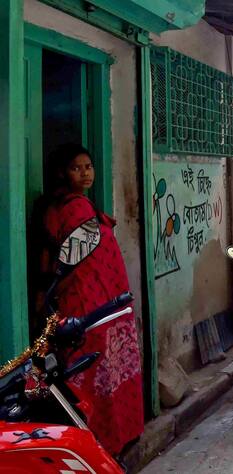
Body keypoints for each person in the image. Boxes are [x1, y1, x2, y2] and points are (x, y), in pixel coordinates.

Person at [40, 143, 144, 456]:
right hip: (88, 306)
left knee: (108, 371)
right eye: (76, 167)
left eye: (88, 166)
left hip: (104, 305)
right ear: (62, 172)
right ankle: (103, 442)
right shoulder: (71, 209)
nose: (85, 173)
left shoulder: (80, 205)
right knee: (97, 375)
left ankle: (114, 438)